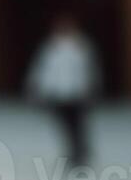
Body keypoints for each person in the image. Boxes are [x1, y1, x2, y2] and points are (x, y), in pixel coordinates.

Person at [26, 14, 101, 169]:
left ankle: (80, 153)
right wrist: (37, 89)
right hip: (58, 95)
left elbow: (89, 70)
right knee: (64, 126)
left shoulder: (81, 46)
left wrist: (91, 89)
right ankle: (72, 152)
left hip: (77, 94)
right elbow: (43, 70)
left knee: (78, 125)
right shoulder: (51, 47)